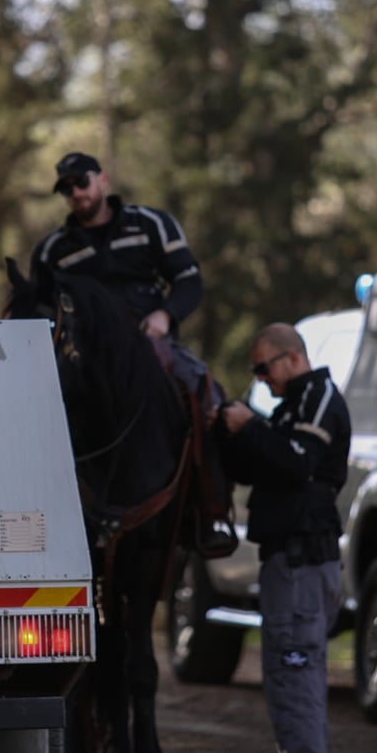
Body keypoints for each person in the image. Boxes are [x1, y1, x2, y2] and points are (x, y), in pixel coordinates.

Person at [31, 151, 234, 553]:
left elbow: (189, 280)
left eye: (82, 182)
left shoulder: (151, 224)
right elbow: (38, 306)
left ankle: (209, 512)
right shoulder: (52, 251)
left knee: (206, 394)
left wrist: (165, 316)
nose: (76, 193)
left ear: (102, 179)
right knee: (39, 416)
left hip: (150, 342)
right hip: (86, 359)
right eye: (66, 189)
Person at [210, 323, 350, 753]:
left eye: (262, 367)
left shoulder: (318, 398)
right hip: (289, 568)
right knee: (288, 679)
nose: (260, 378)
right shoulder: (292, 407)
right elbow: (259, 466)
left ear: (292, 357)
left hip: (301, 565)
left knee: (296, 677)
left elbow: (296, 463)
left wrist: (251, 426)